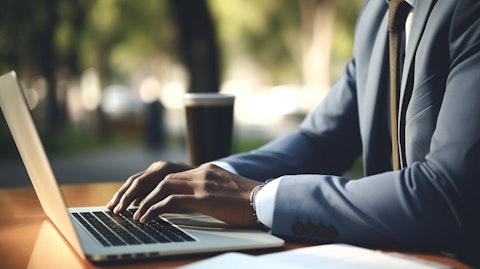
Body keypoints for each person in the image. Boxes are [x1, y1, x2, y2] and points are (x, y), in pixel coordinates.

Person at [107, 0, 480, 266]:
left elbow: (445, 192)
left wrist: (259, 200)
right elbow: (321, 140)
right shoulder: (376, 16)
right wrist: (204, 180)